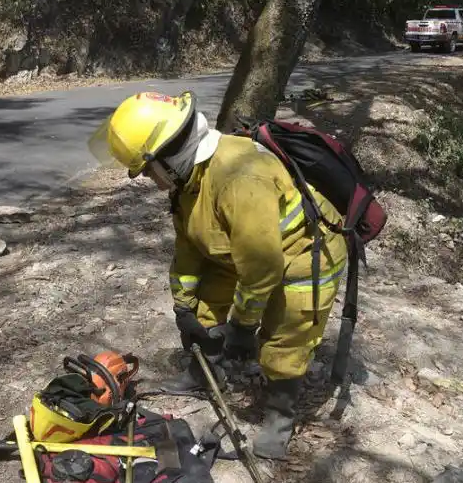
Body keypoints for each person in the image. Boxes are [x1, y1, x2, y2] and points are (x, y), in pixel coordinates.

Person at [88, 91, 348, 460]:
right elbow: (191, 245)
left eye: (147, 169)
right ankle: (203, 374)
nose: (147, 178)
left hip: (302, 259)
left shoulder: (239, 179)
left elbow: (262, 268)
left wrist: (243, 328)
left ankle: (280, 416)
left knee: (284, 344)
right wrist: (184, 307)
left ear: (169, 154)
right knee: (205, 309)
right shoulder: (190, 179)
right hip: (243, 253)